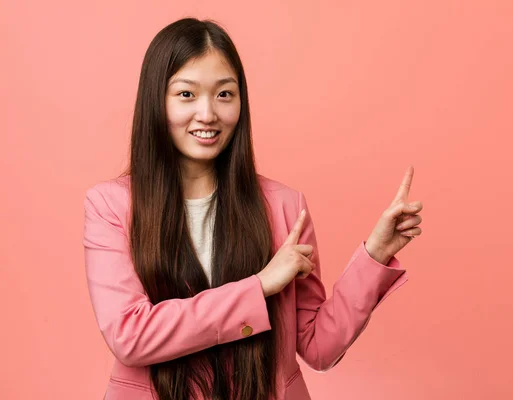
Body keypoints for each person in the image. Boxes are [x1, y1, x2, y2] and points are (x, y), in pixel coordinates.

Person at [82, 17, 423, 400]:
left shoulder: (283, 205)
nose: (208, 114)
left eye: (224, 94)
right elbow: (130, 336)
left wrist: (375, 254)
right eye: (186, 94)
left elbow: (318, 347)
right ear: (155, 100)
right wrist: (259, 286)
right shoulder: (111, 206)